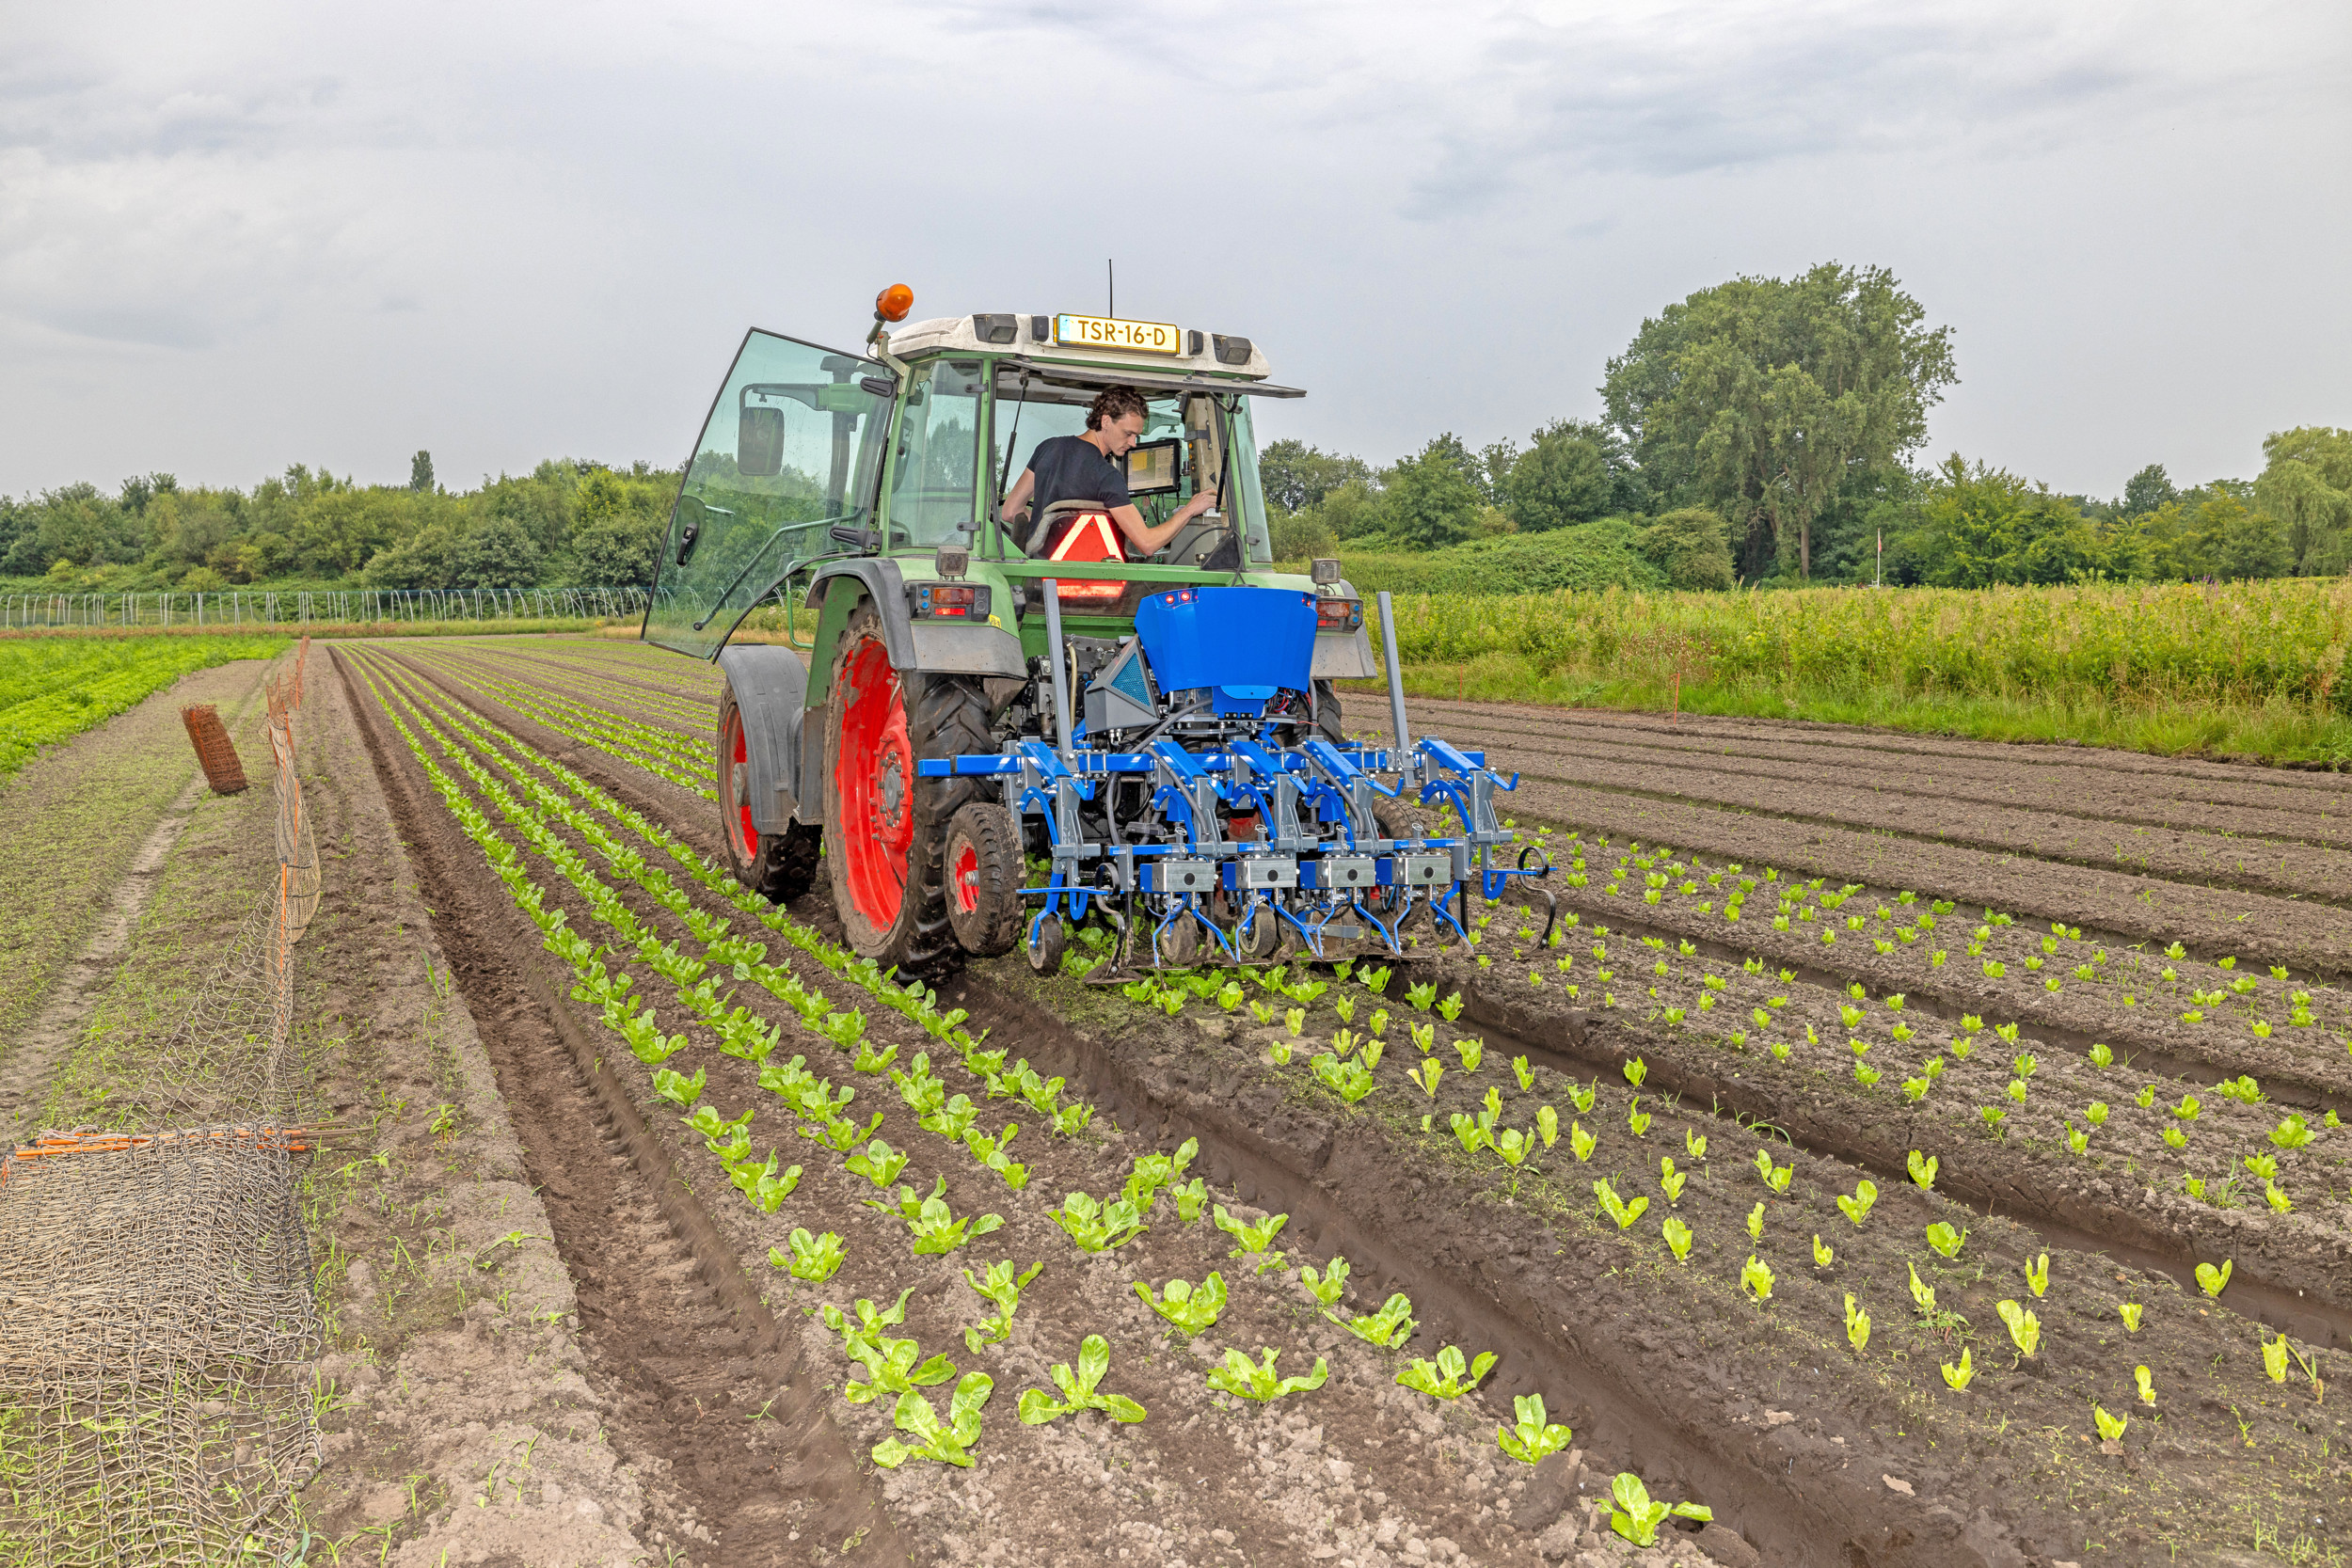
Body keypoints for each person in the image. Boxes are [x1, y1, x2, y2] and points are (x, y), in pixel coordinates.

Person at [998, 386, 1218, 558]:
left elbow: (1009, 512)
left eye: (1136, 436)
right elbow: (1148, 544)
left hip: (1037, 574)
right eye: (1128, 434)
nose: (1133, 443)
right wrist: (1189, 510)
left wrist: (1045, 528)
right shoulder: (1107, 476)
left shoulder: (1047, 448)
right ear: (1105, 421)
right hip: (1088, 584)